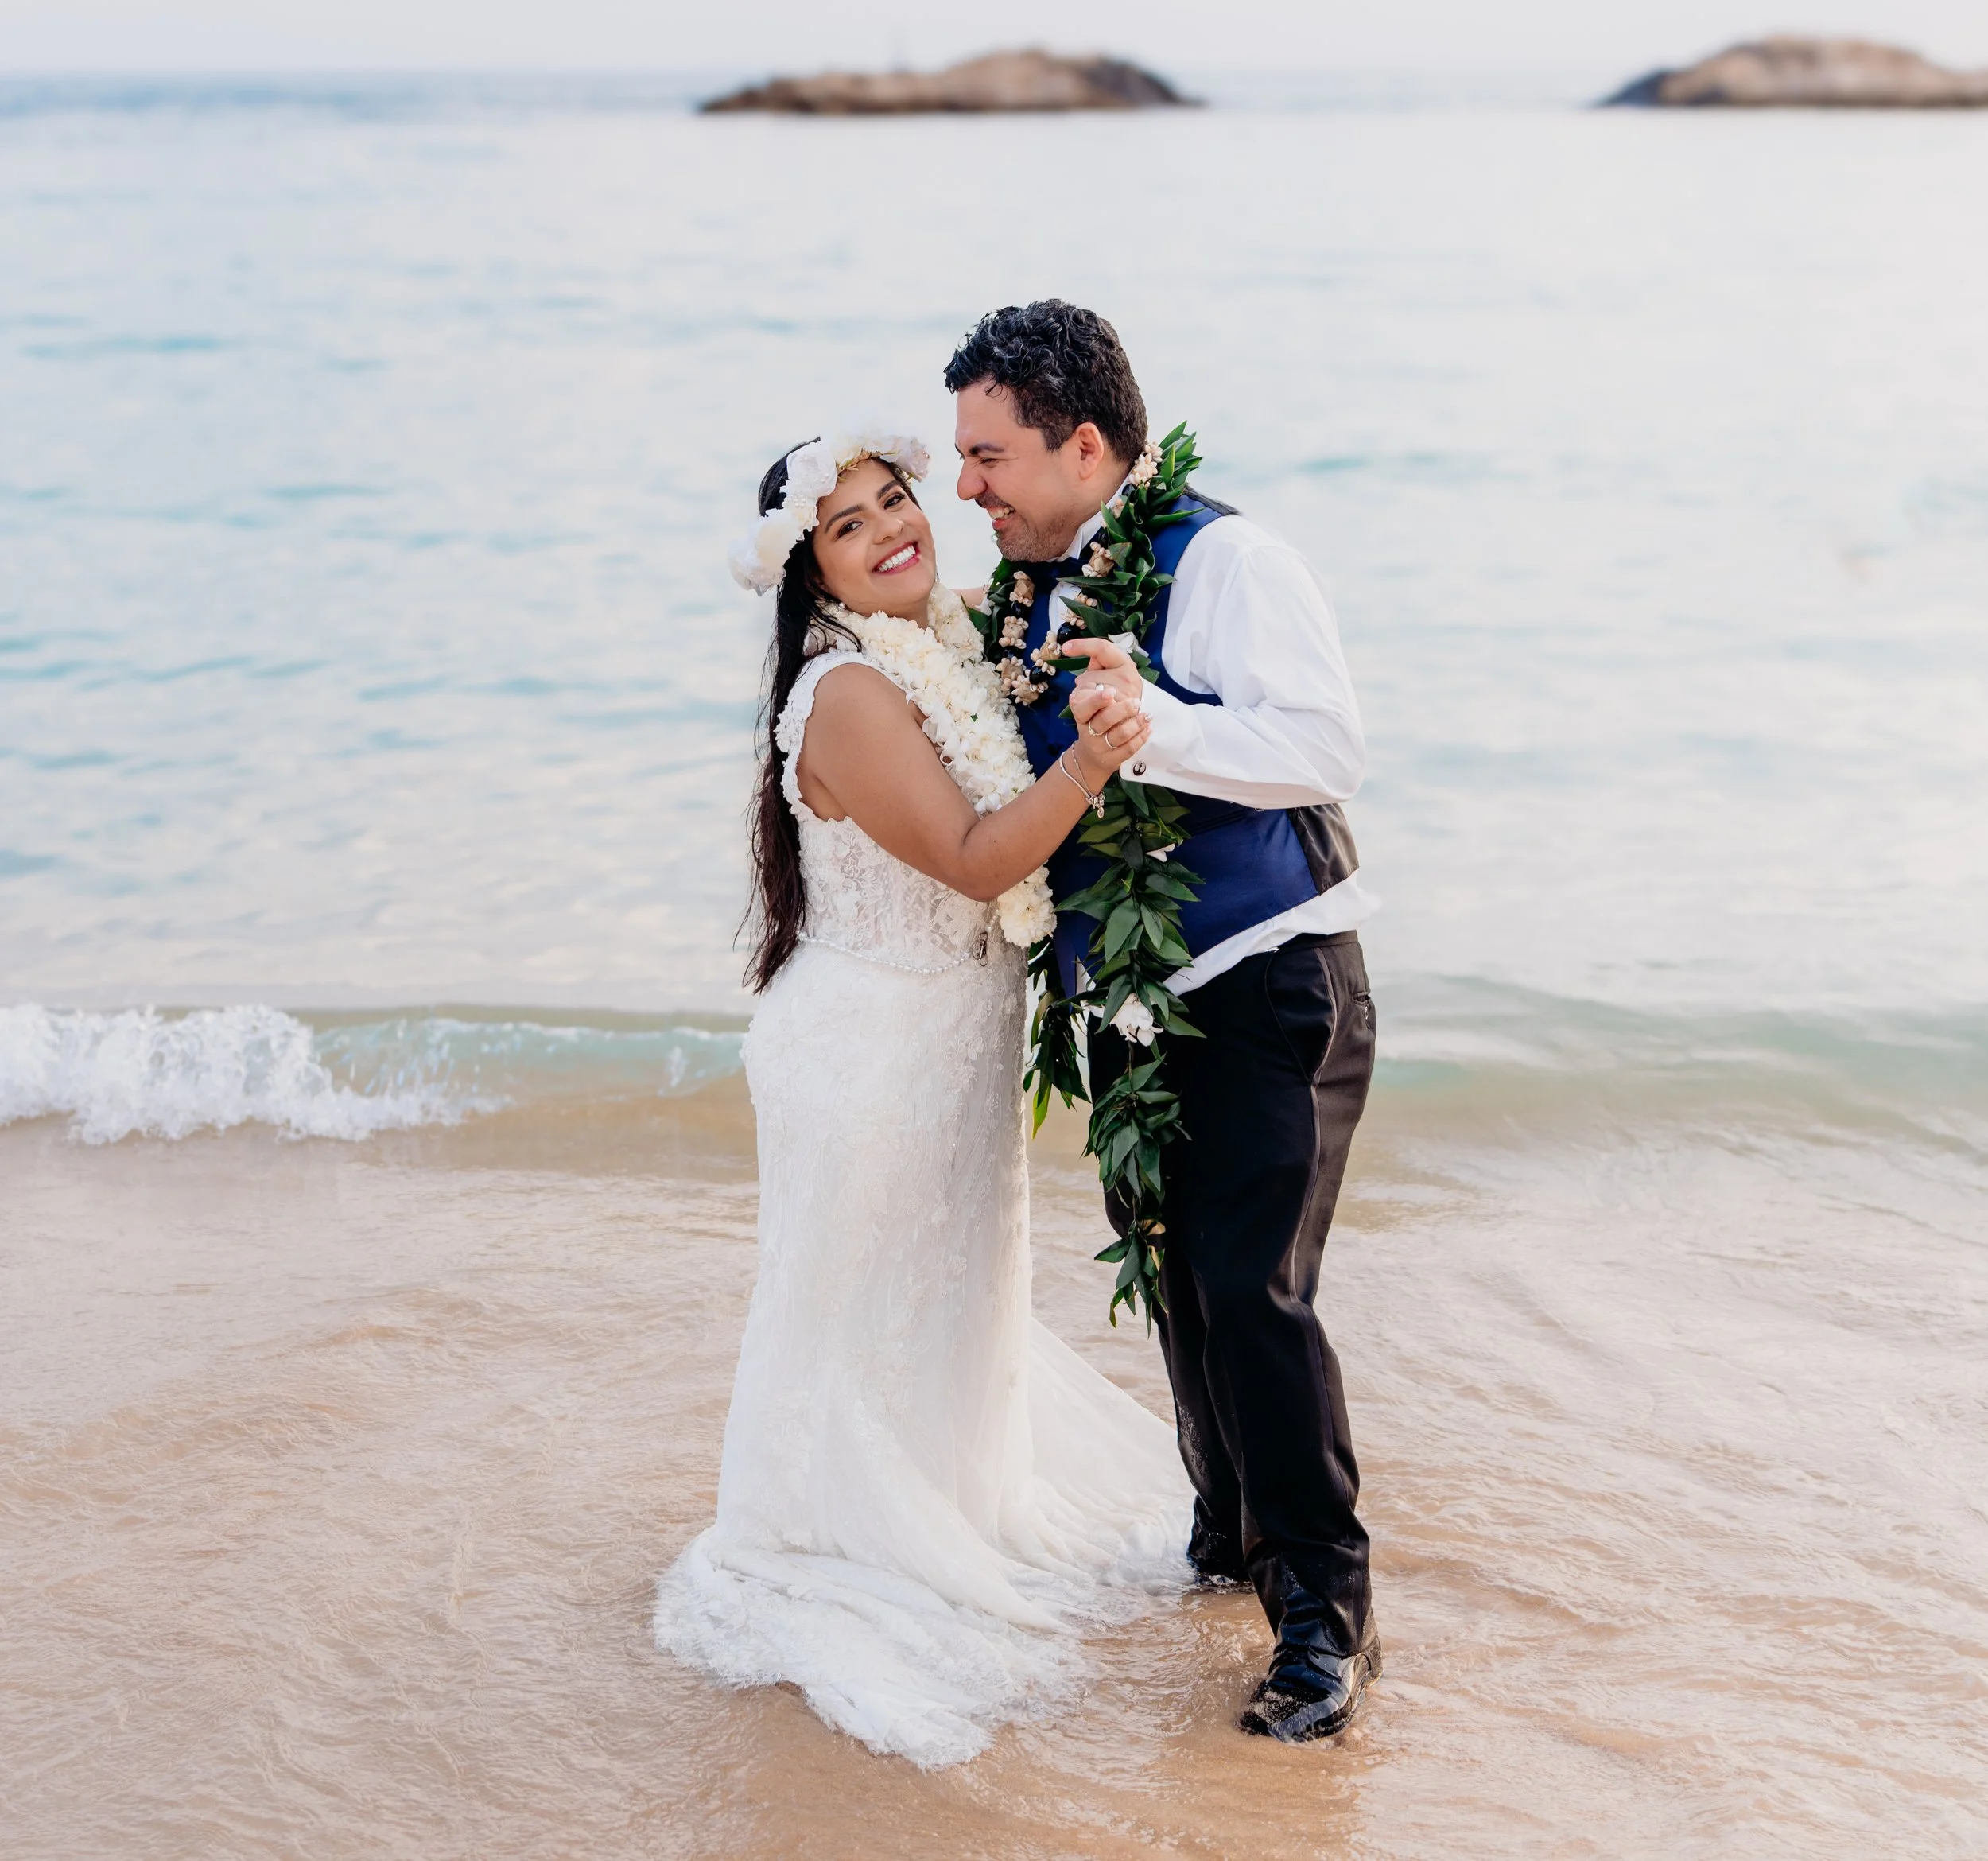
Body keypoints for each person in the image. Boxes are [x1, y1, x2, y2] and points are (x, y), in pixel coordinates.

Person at [654, 429, 1191, 1768]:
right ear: (812, 577)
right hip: (876, 1053)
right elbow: (967, 856)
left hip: (946, 1046)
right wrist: (1094, 757)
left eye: (899, 500)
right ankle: (850, 1536)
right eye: (851, 526)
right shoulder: (846, 693)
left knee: (946, 1295)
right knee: (861, 1316)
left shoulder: (936, 649)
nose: (895, 527)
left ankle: (945, 1500)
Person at [946, 301, 1383, 1743]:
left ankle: (1328, 1621)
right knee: (1179, 1283)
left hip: (1269, 978)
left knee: (1252, 1290)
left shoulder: (1229, 559)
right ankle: (1227, 1539)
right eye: (960, 457)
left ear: (1085, 446)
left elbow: (1327, 746)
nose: (969, 488)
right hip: (1132, 1003)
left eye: (990, 455)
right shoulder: (1023, 590)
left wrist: (1161, 727)